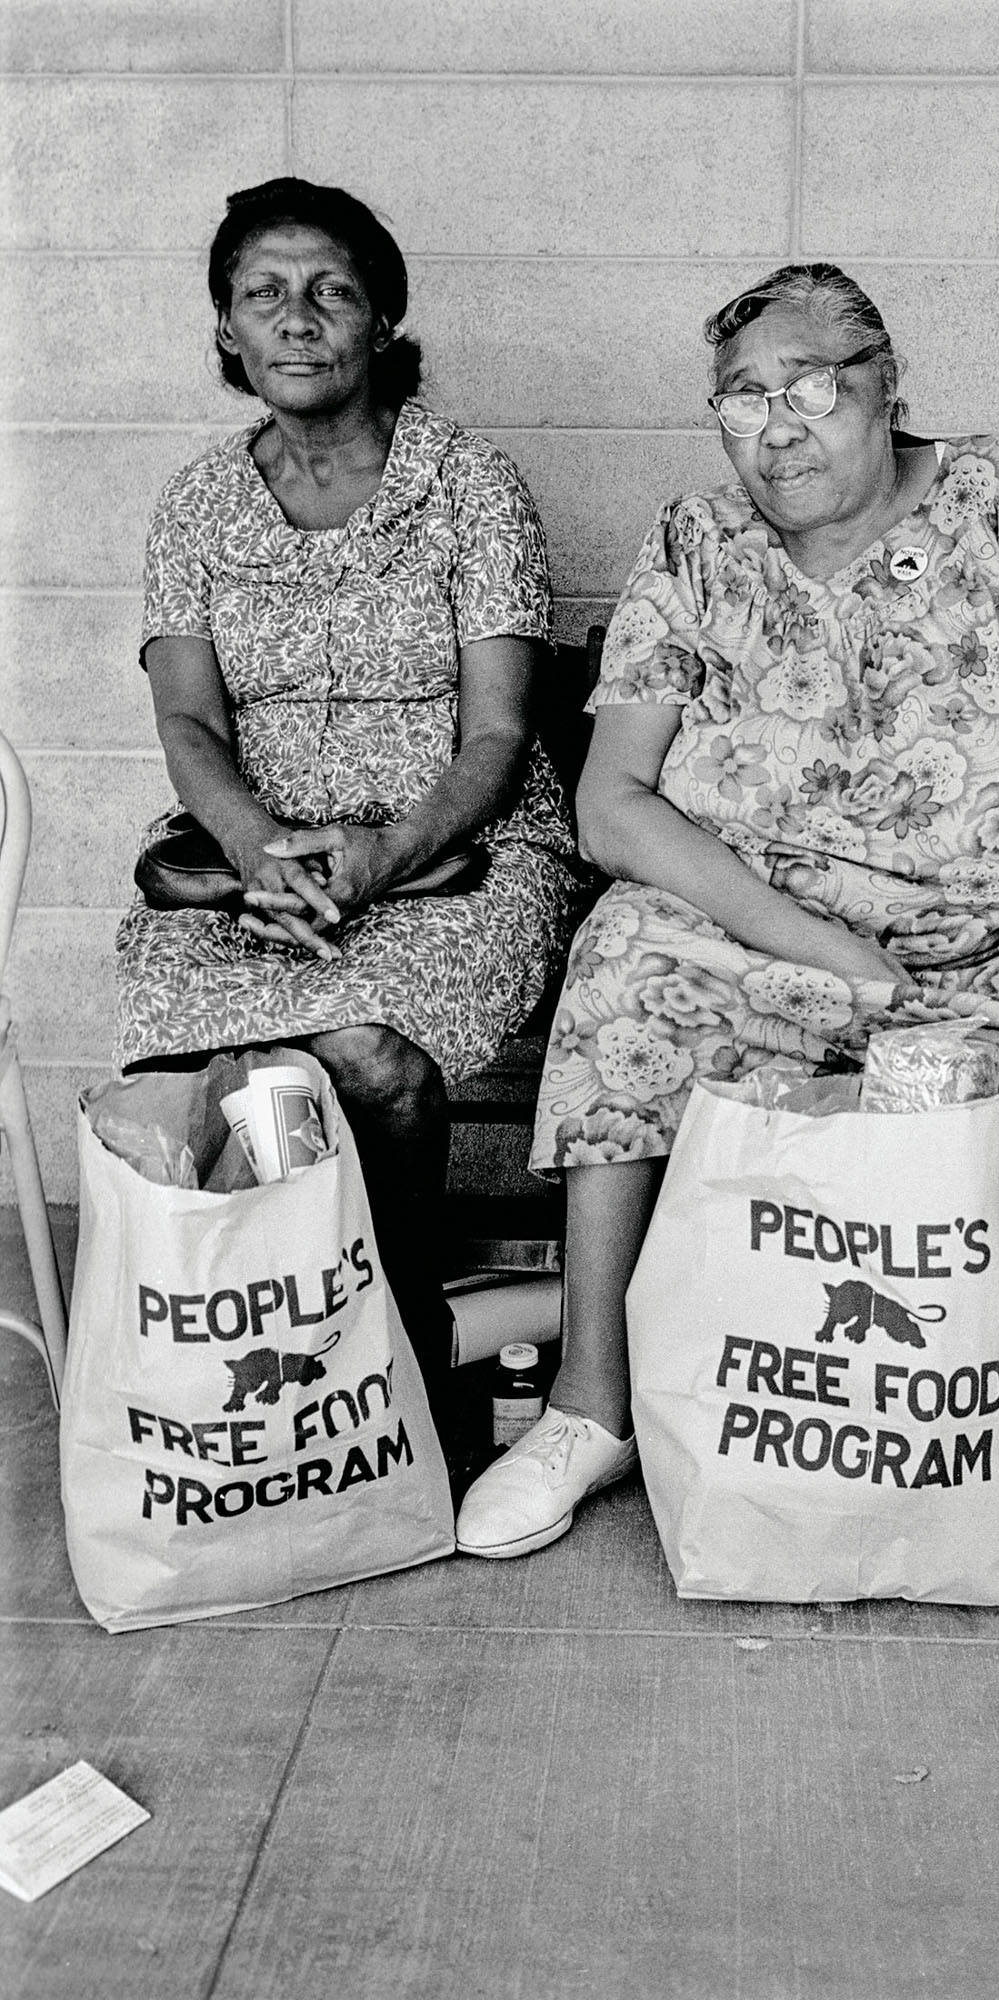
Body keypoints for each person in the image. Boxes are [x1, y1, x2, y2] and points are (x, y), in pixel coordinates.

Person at [456, 262, 999, 1708]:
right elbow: (614, 804)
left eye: (811, 386)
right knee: (621, 971)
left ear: (884, 381)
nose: (777, 426)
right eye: (743, 397)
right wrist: (802, 939)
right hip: (777, 944)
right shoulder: (699, 543)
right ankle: (589, 1404)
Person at [115, 177, 580, 1398]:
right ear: (226, 329)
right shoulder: (195, 504)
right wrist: (261, 846)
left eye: (332, 290)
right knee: (194, 1063)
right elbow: (187, 716)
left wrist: (378, 851)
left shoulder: (472, 490)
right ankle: (255, 1355)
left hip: (454, 856)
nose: (297, 317)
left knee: (366, 1054)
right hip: (244, 866)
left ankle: (392, 1362)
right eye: (262, 294)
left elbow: (496, 734)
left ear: (382, 321)